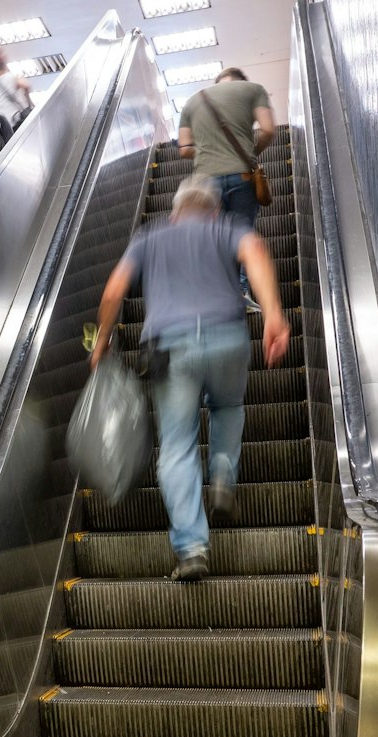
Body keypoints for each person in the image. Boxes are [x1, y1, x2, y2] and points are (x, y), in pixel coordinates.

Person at [90, 175, 289, 580]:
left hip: (170, 347)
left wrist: (103, 340)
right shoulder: (228, 227)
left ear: (176, 210)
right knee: (228, 406)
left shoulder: (150, 236)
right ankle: (220, 475)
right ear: (215, 209)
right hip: (228, 335)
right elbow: (255, 249)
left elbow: (113, 291)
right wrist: (273, 314)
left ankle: (192, 549)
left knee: (178, 444)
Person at [179, 67, 276, 232]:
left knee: (212, 237)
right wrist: (251, 152)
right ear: (241, 81)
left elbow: (184, 150)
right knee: (241, 236)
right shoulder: (254, 89)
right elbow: (268, 130)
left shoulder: (191, 101)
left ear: (216, 84)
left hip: (206, 179)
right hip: (242, 174)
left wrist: (209, 150)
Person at [0, 47, 34, 124]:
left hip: (0, 126)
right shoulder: (10, 77)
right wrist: (29, 105)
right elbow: (26, 86)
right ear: (4, 65)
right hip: (15, 121)